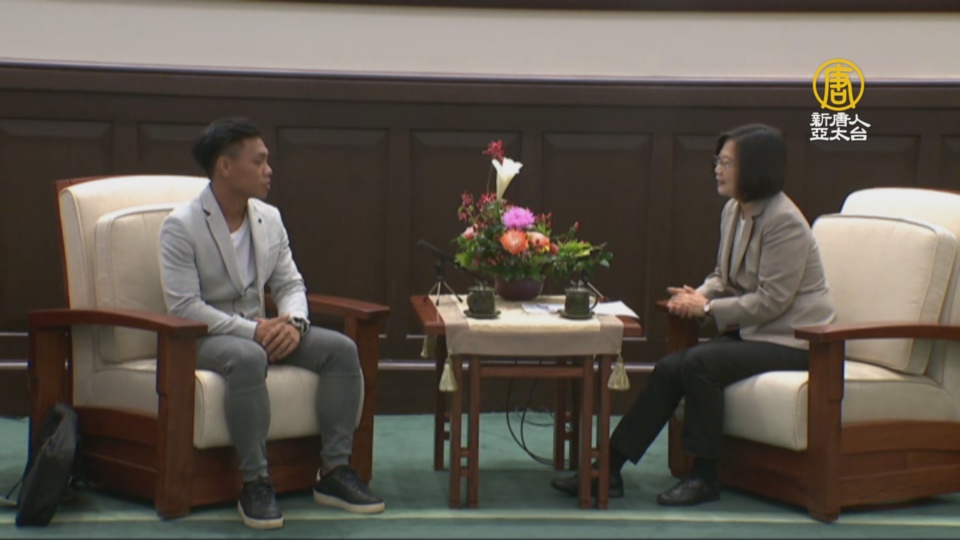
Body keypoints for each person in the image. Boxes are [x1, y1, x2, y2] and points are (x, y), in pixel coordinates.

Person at [551, 123, 836, 506]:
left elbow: (773, 301)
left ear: (755, 168)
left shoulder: (785, 222)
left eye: (727, 163)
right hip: (756, 333)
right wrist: (697, 296)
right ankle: (608, 468)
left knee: (701, 364)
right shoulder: (734, 210)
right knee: (671, 367)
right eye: (717, 161)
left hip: (797, 340)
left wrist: (706, 308)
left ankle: (704, 477)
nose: (717, 169)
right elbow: (722, 276)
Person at [158, 117, 385, 529]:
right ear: (225, 167)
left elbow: (290, 284)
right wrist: (255, 331)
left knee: (341, 350)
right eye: (259, 161)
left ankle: (334, 472)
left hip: (264, 330)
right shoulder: (181, 225)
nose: (269, 170)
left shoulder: (269, 218)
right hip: (205, 338)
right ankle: (256, 483)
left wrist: (294, 323)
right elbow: (185, 307)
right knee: (248, 357)